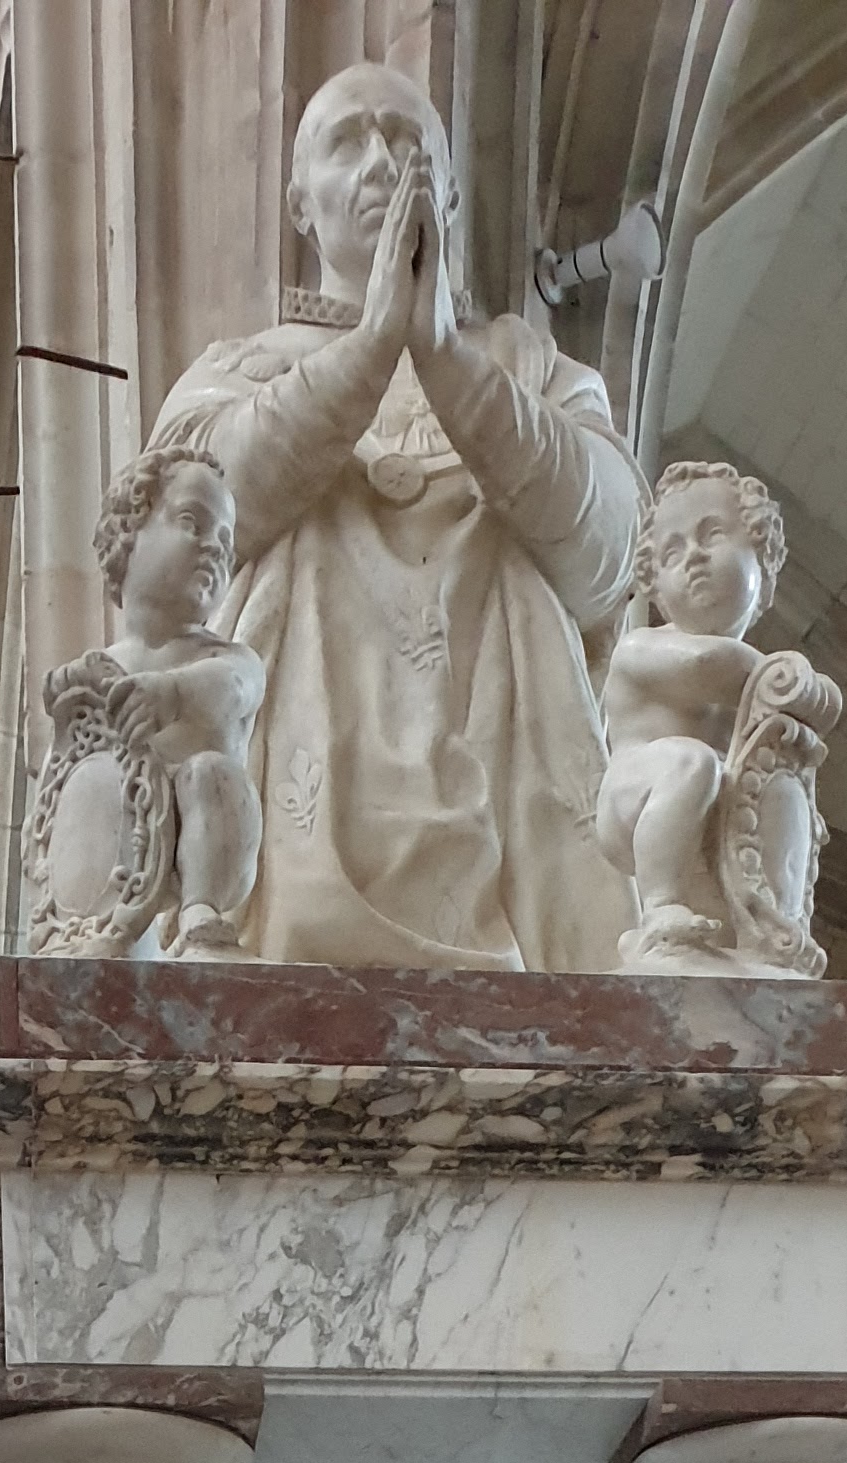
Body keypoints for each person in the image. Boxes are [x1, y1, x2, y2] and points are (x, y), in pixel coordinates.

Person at [147, 62, 644, 971]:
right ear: (301, 205)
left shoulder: (532, 369)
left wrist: (447, 362)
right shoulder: (237, 372)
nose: (380, 162)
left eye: (407, 139)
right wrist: (368, 353)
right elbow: (181, 537)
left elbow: (612, 554)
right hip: (300, 793)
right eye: (347, 142)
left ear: (447, 196)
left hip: (513, 804)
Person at [596, 460, 840, 974]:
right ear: (655, 587)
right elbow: (706, 666)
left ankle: (765, 931)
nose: (694, 557)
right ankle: (660, 909)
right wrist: (784, 678)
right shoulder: (641, 649)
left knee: (768, 790)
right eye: (672, 552)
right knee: (692, 763)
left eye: (712, 535)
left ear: (762, 560)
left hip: (712, 824)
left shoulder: (755, 681)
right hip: (634, 800)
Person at [30, 446, 265, 956]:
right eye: (192, 523)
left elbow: (234, 688)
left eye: (226, 541)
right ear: (128, 534)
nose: (216, 548)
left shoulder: (227, 658)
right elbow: (70, 764)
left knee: (210, 775)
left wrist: (173, 694)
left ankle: (199, 911)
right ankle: (80, 923)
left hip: (203, 840)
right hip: (126, 846)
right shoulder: (99, 667)